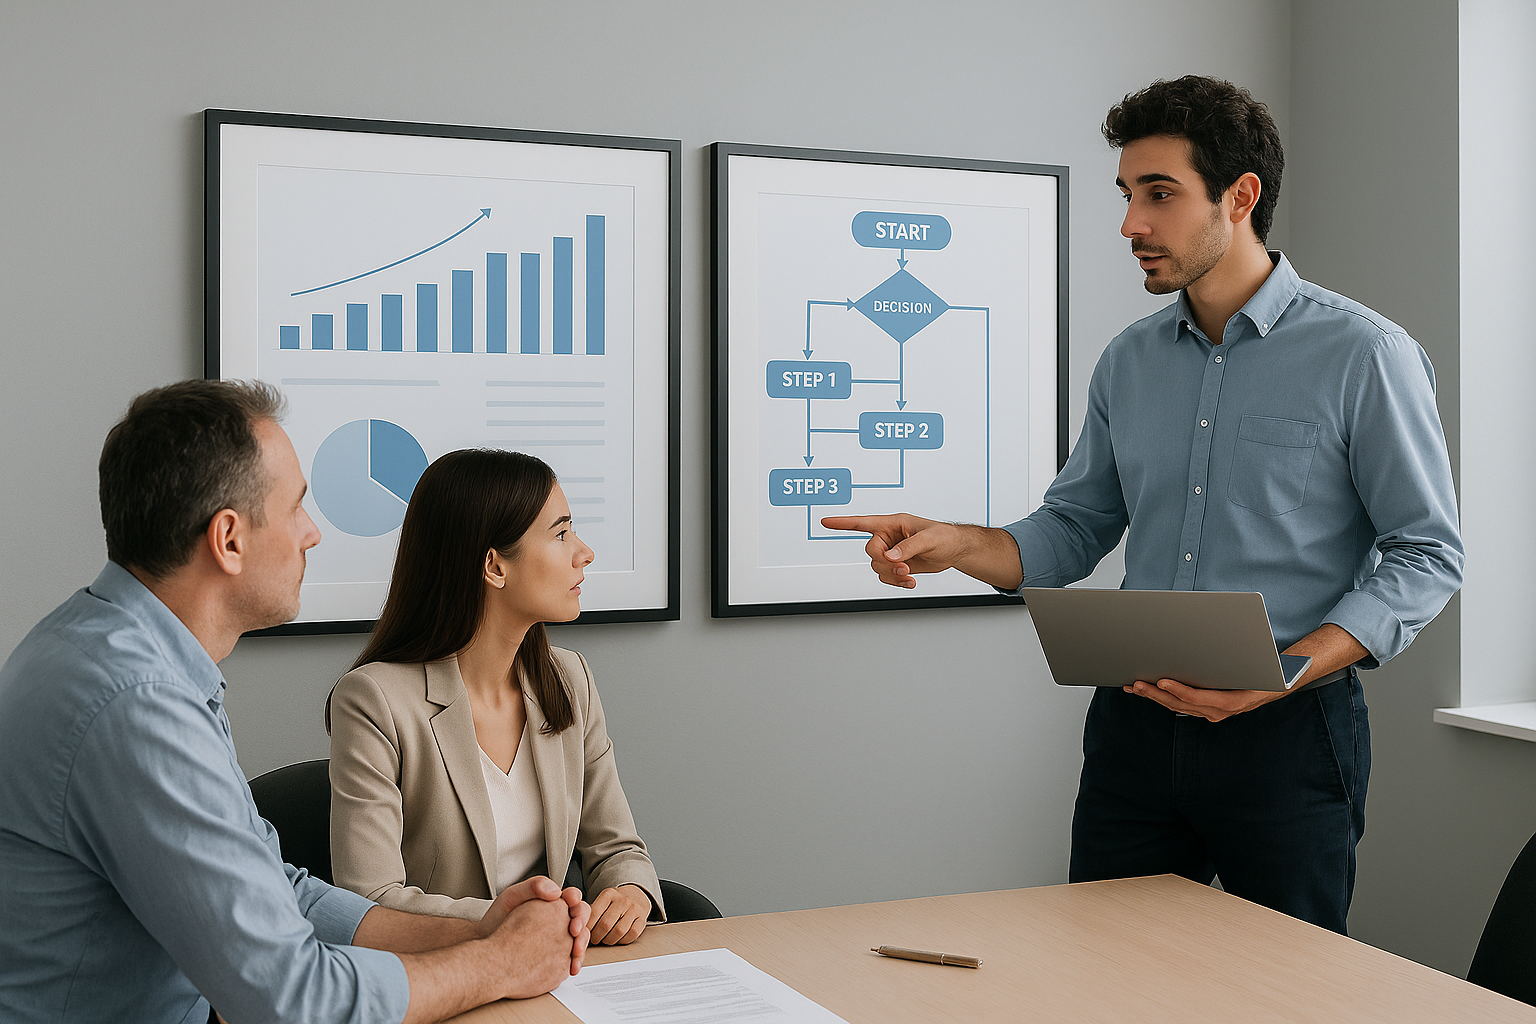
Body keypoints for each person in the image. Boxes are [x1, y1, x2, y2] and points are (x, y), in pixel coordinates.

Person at [824, 75, 1463, 934]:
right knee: (1107, 970)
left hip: (1288, 731)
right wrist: (957, 542)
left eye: (1159, 195)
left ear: (1240, 197)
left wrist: (1290, 670)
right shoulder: (1128, 363)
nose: (1131, 224)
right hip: (1134, 727)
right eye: (1128, 195)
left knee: (1292, 992)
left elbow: (1426, 552)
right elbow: (1077, 527)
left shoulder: (1364, 354)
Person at [0, 380, 591, 1024]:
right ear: (229, 539)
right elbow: (292, 1002)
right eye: (297, 507)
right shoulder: (137, 702)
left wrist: (478, 928)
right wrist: (500, 964)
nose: (311, 534)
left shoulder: (121, 651)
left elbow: (281, 894)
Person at [327, 448, 663, 947]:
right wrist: (509, 921)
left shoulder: (570, 678)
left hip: (553, 968)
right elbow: (370, 899)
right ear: (494, 566)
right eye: (562, 533)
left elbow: (616, 846)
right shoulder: (374, 700)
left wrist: (629, 890)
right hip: (442, 979)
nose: (584, 552)